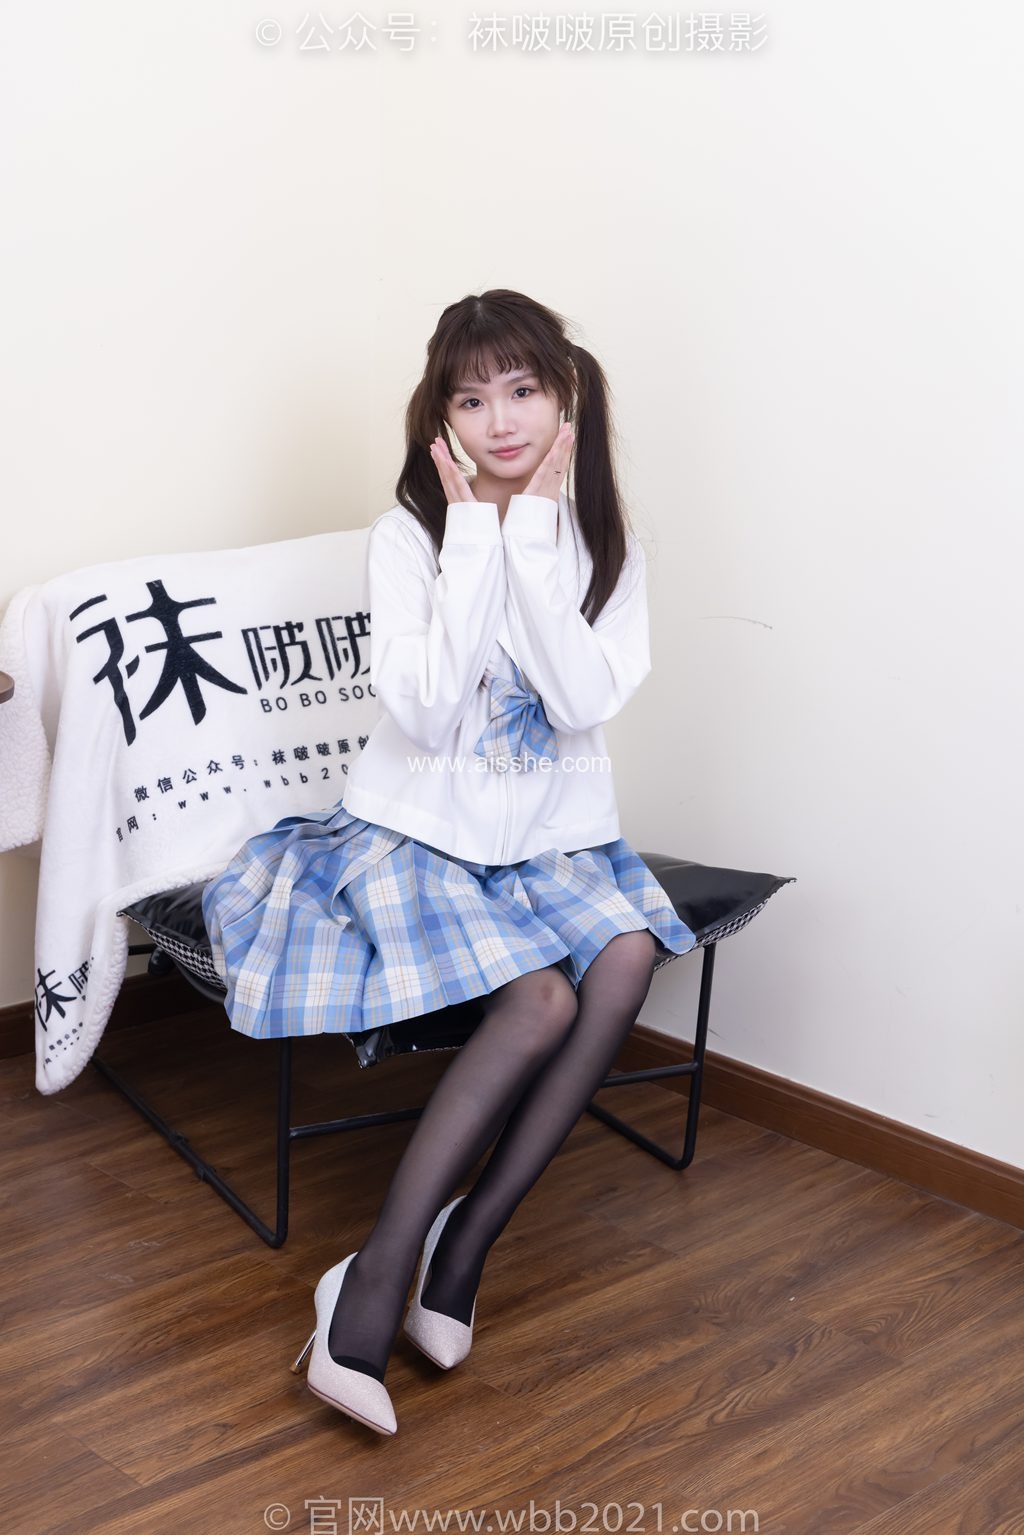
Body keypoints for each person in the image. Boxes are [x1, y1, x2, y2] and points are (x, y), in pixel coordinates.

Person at [202, 288, 697, 1436]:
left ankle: (463, 1246)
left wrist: (533, 537)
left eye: (522, 390)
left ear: (566, 396)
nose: (500, 420)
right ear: (441, 417)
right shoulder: (408, 536)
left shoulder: (608, 543)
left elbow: (579, 698)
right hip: (414, 832)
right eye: (471, 399)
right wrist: (476, 537)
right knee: (538, 1001)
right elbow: (426, 711)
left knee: (625, 957)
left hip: (548, 841)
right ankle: (373, 1277)